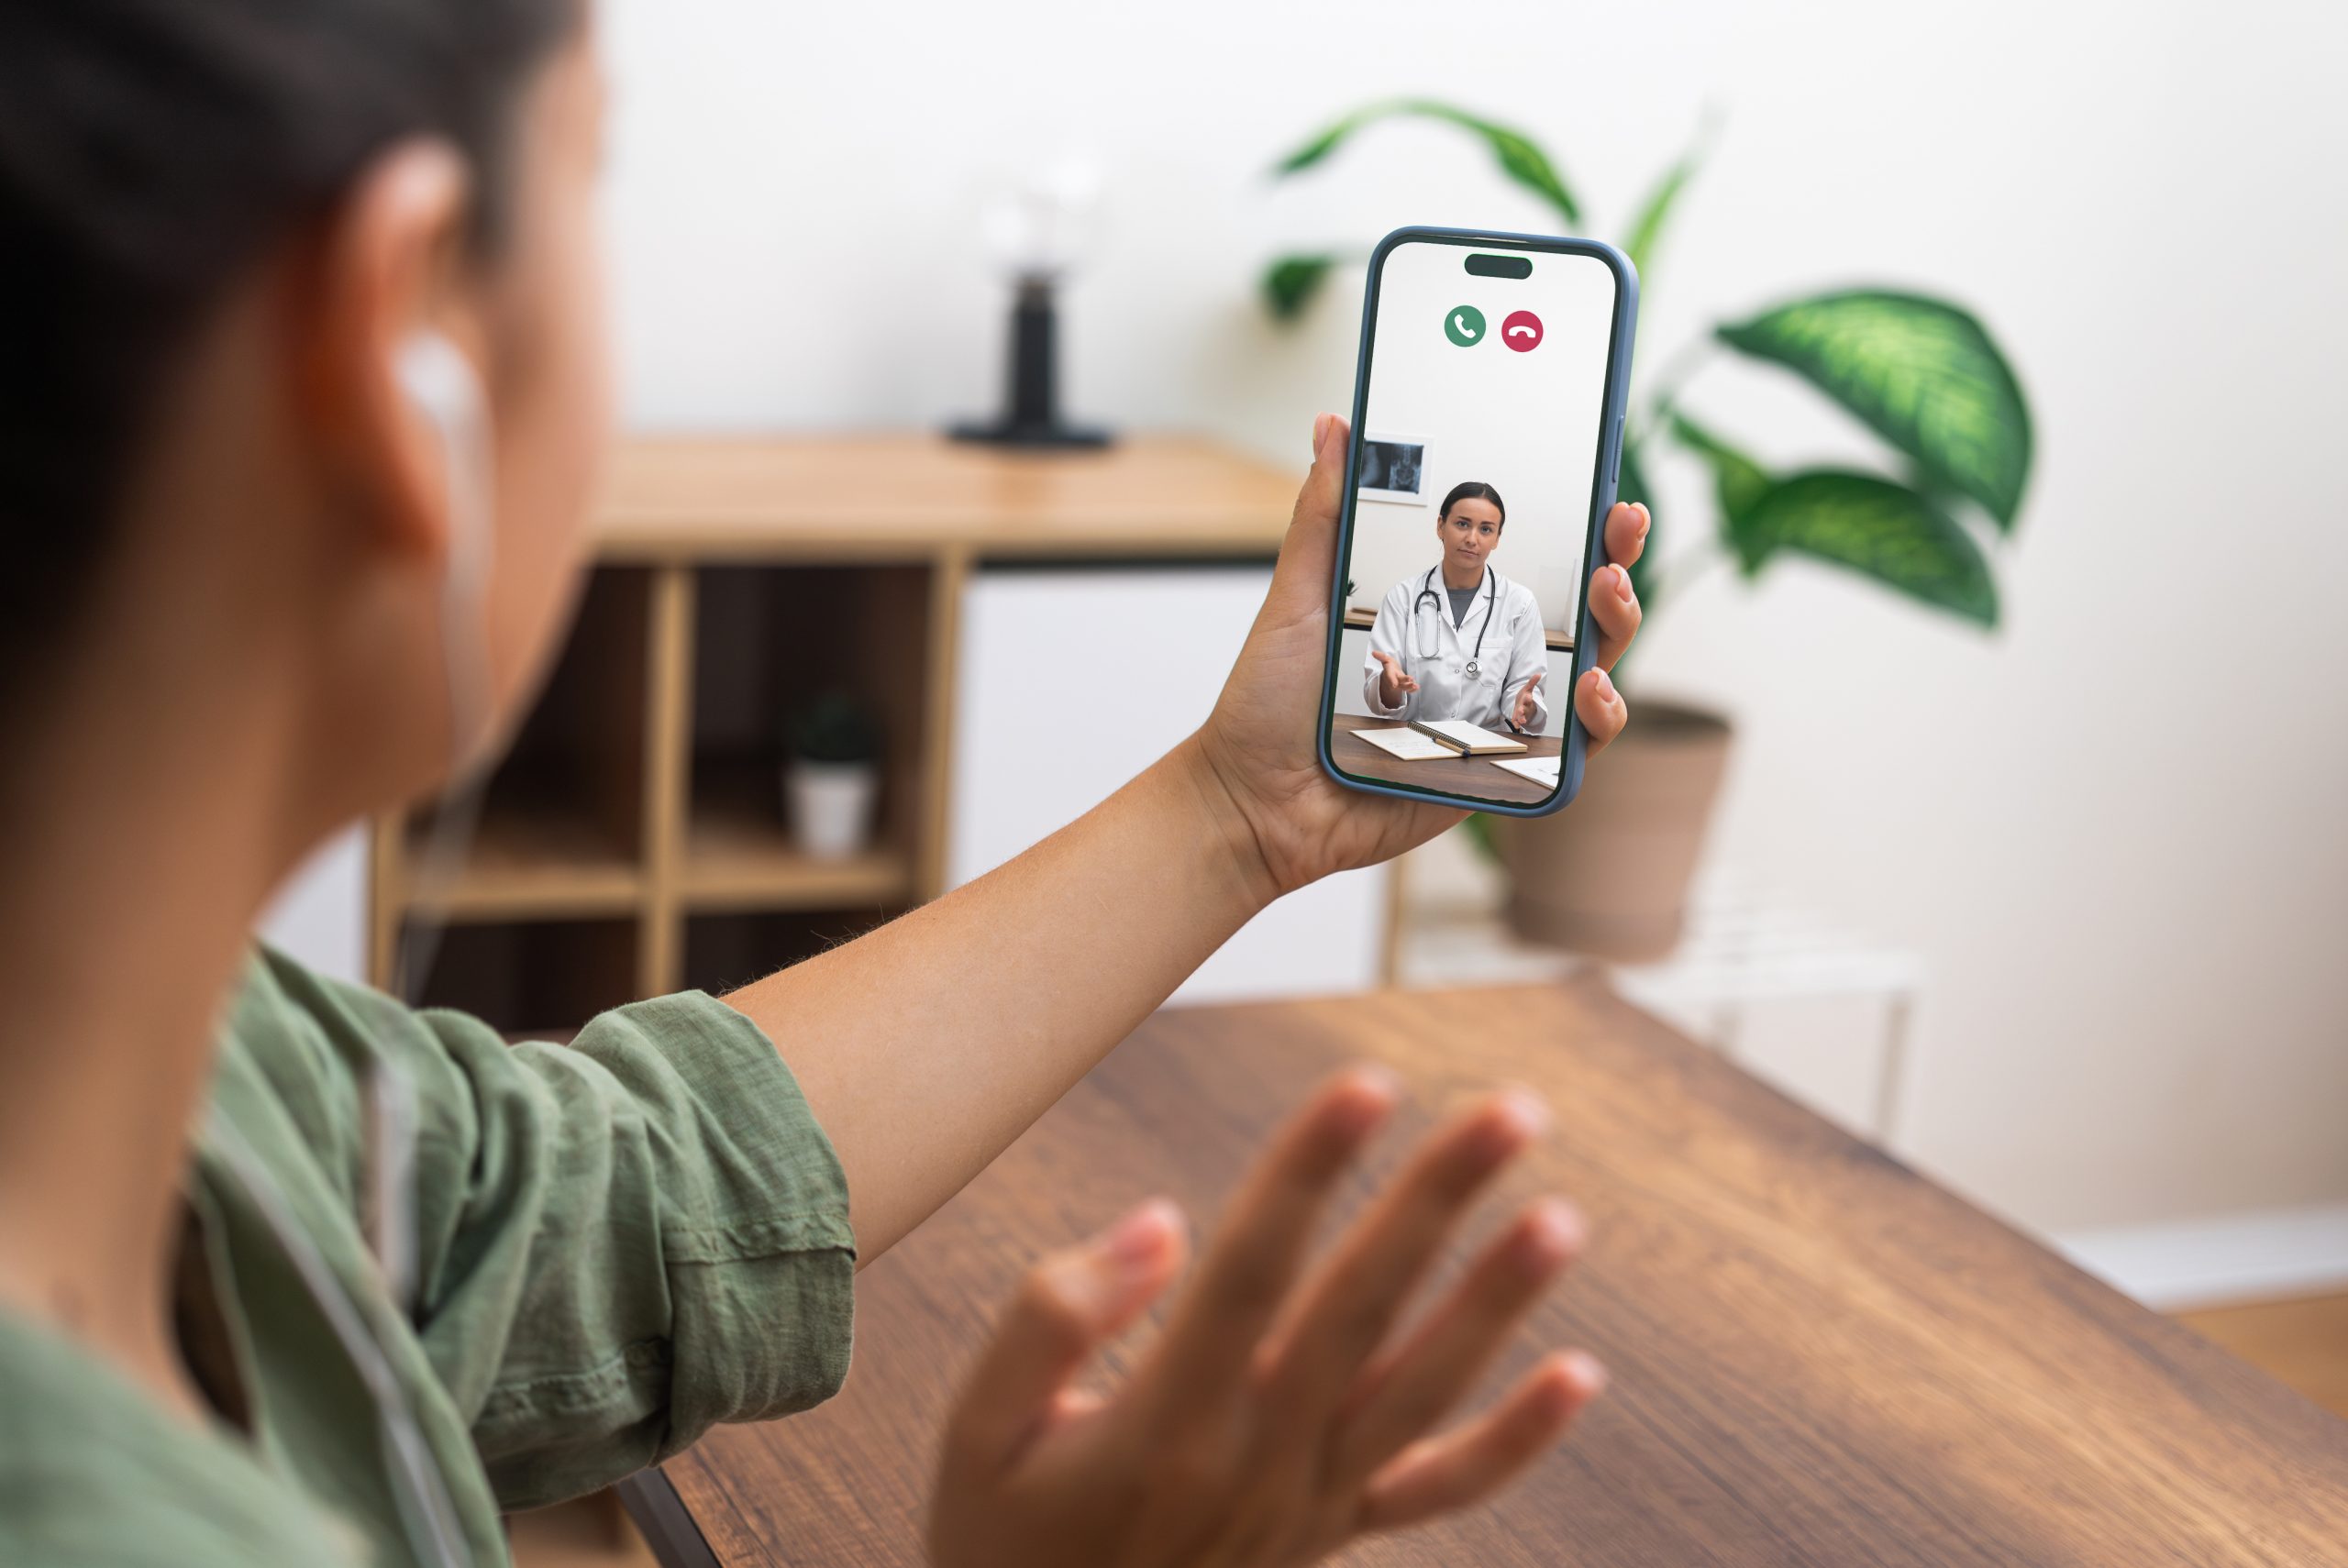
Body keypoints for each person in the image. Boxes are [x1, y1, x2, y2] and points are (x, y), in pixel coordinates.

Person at [0, 5, 1651, 1566]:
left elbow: (592, 1204)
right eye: (595, 178)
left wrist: (1234, 817)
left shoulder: (219, 1079)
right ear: (401, 339)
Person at [1364, 480, 1556, 734]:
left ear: (1497, 539)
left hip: (1485, 749)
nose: (1472, 539)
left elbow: (1522, 693)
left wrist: (1525, 707)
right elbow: (1381, 700)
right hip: (1412, 742)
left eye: (1486, 529)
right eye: (1462, 524)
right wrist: (1390, 686)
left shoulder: (1519, 603)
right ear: (1440, 526)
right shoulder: (1402, 598)